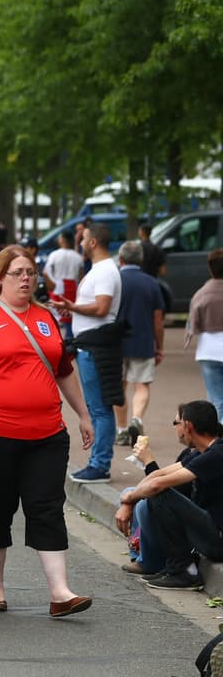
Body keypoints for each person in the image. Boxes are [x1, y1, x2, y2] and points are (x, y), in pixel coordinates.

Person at [0, 245, 95, 616]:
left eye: (31, 272)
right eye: (18, 273)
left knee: (46, 506)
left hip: (46, 433)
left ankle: (60, 592)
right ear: (0, 278)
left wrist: (84, 415)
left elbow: (62, 369)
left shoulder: (47, 318)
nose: (26, 278)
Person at [117, 400, 223, 591]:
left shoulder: (217, 454)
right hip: (210, 531)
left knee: (160, 494)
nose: (177, 428)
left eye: (178, 423)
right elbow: (158, 475)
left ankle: (185, 570)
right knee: (150, 491)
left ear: (188, 426)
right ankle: (171, 564)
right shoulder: (202, 451)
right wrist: (129, 500)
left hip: (218, 541)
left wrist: (130, 499)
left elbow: (158, 485)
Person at [52, 223, 122, 483]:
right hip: (93, 345)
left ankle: (100, 464)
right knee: (99, 407)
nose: (80, 243)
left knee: (99, 408)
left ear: (94, 242)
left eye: (83, 239)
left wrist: (73, 307)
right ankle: (99, 462)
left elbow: (102, 308)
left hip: (96, 347)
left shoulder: (104, 271)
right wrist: (73, 308)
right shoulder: (102, 270)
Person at [113, 242, 164, 447]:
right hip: (143, 342)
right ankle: (138, 419)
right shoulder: (152, 283)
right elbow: (158, 319)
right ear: (141, 260)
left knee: (119, 387)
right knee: (141, 385)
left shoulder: (114, 280)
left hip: (116, 342)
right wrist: (159, 346)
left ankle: (122, 429)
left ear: (121, 259)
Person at [188, 249, 223, 420]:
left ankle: (219, 439)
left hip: (208, 351)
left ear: (210, 268)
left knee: (216, 400)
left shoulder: (202, 293)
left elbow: (194, 324)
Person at [42, 230, 82, 339]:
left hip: (57, 285)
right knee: (69, 313)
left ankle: (55, 338)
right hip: (72, 286)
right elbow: (81, 276)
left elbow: (46, 272)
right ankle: (70, 337)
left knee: (56, 314)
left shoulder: (54, 255)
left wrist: (51, 285)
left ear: (63, 240)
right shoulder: (77, 257)